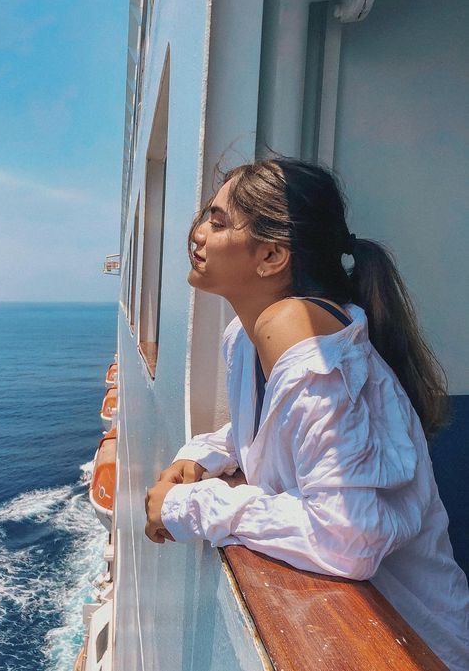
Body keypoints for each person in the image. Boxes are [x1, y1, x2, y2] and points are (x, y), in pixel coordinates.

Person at [144, 156, 469, 669]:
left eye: (219, 222)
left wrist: (190, 507)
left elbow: (348, 538)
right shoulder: (245, 337)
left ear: (272, 256)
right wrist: (204, 455)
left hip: (415, 646)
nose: (198, 233)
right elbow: (278, 426)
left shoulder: (293, 325)